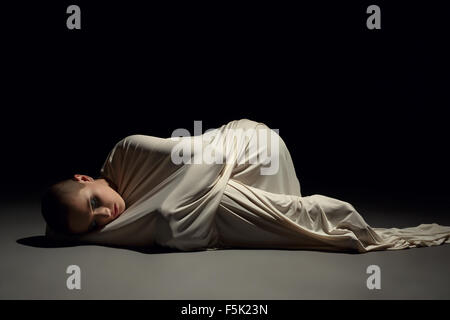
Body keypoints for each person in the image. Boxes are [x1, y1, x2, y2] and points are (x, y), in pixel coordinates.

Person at [41, 119, 450, 253]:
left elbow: (212, 159)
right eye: (95, 225)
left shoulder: (127, 151)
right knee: (198, 214)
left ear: (84, 178)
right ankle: (332, 217)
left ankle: (335, 219)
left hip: (252, 150)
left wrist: (167, 214)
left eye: (93, 201)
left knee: (172, 220)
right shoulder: (104, 213)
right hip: (224, 181)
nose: (106, 215)